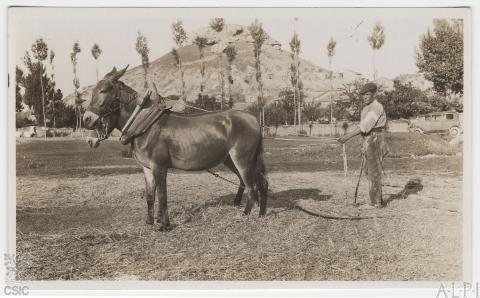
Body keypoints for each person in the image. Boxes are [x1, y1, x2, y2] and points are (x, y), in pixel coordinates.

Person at [338, 82, 388, 209]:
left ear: (373, 94)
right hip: (368, 139)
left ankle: (376, 202)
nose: (365, 97)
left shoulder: (376, 107)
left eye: (367, 94)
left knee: (374, 171)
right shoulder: (366, 108)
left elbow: (364, 127)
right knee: (367, 170)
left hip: (375, 139)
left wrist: (347, 137)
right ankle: (374, 199)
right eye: (363, 95)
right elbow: (362, 126)